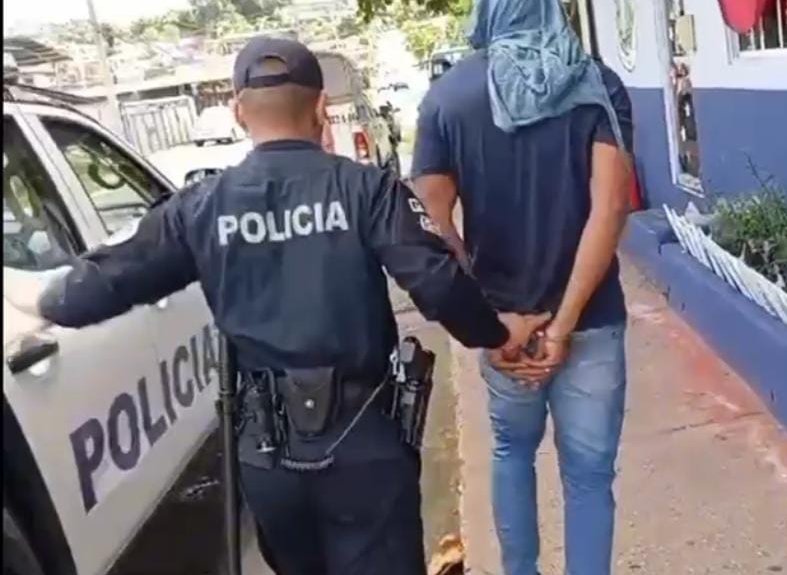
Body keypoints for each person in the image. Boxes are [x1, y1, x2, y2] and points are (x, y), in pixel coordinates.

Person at [4, 36, 549, 575]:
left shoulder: (199, 207)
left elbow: (84, 293)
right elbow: (440, 285)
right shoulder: (368, 190)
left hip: (266, 456)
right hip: (362, 441)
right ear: (321, 108)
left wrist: (35, 292)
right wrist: (499, 336)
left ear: (238, 112)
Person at [411, 0, 635, 573]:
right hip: (592, 321)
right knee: (589, 476)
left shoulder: (448, 97)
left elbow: (430, 220)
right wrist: (562, 325)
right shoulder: (595, 84)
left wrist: (488, 319)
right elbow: (611, 207)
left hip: (502, 328)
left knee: (512, 452)